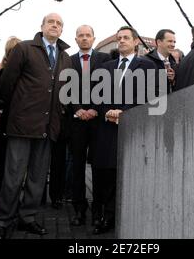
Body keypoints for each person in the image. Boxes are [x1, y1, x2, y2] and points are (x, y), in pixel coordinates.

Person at [0, 13, 72, 239]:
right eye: (51, 22)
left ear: (62, 29)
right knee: (13, 176)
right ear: (42, 26)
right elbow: (7, 83)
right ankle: (3, 221)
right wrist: (18, 110)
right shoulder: (24, 49)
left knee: (37, 178)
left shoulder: (65, 58)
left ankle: (27, 218)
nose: (55, 25)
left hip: (48, 127)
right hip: (22, 124)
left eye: (59, 23)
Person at [92, 26, 156, 235]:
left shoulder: (147, 66)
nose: (121, 41)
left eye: (125, 38)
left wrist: (125, 112)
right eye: (119, 38)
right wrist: (107, 111)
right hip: (106, 127)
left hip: (132, 129)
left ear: (136, 41)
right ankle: (103, 215)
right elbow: (96, 94)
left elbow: (151, 96)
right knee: (104, 173)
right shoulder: (106, 66)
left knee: (126, 173)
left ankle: (120, 214)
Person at [68, 25, 110, 226]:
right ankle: (79, 209)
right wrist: (77, 109)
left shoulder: (104, 59)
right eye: (81, 36)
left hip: (98, 121)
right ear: (76, 39)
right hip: (76, 122)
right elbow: (65, 87)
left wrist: (95, 108)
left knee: (98, 166)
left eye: (88, 35)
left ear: (94, 38)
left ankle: (97, 209)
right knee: (76, 166)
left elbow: (107, 86)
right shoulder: (68, 60)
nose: (84, 38)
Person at [0, 36, 21, 212]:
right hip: (8, 126)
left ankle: (2, 204)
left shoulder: (5, 71)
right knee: (7, 168)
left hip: (11, 125)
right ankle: (3, 205)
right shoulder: (7, 73)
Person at [145, 29, 177, 94]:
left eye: (174, 42)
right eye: (170, 41)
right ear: (159, 42)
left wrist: (173, 81)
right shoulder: (145, 62)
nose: (173, 45)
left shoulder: (175, 63)